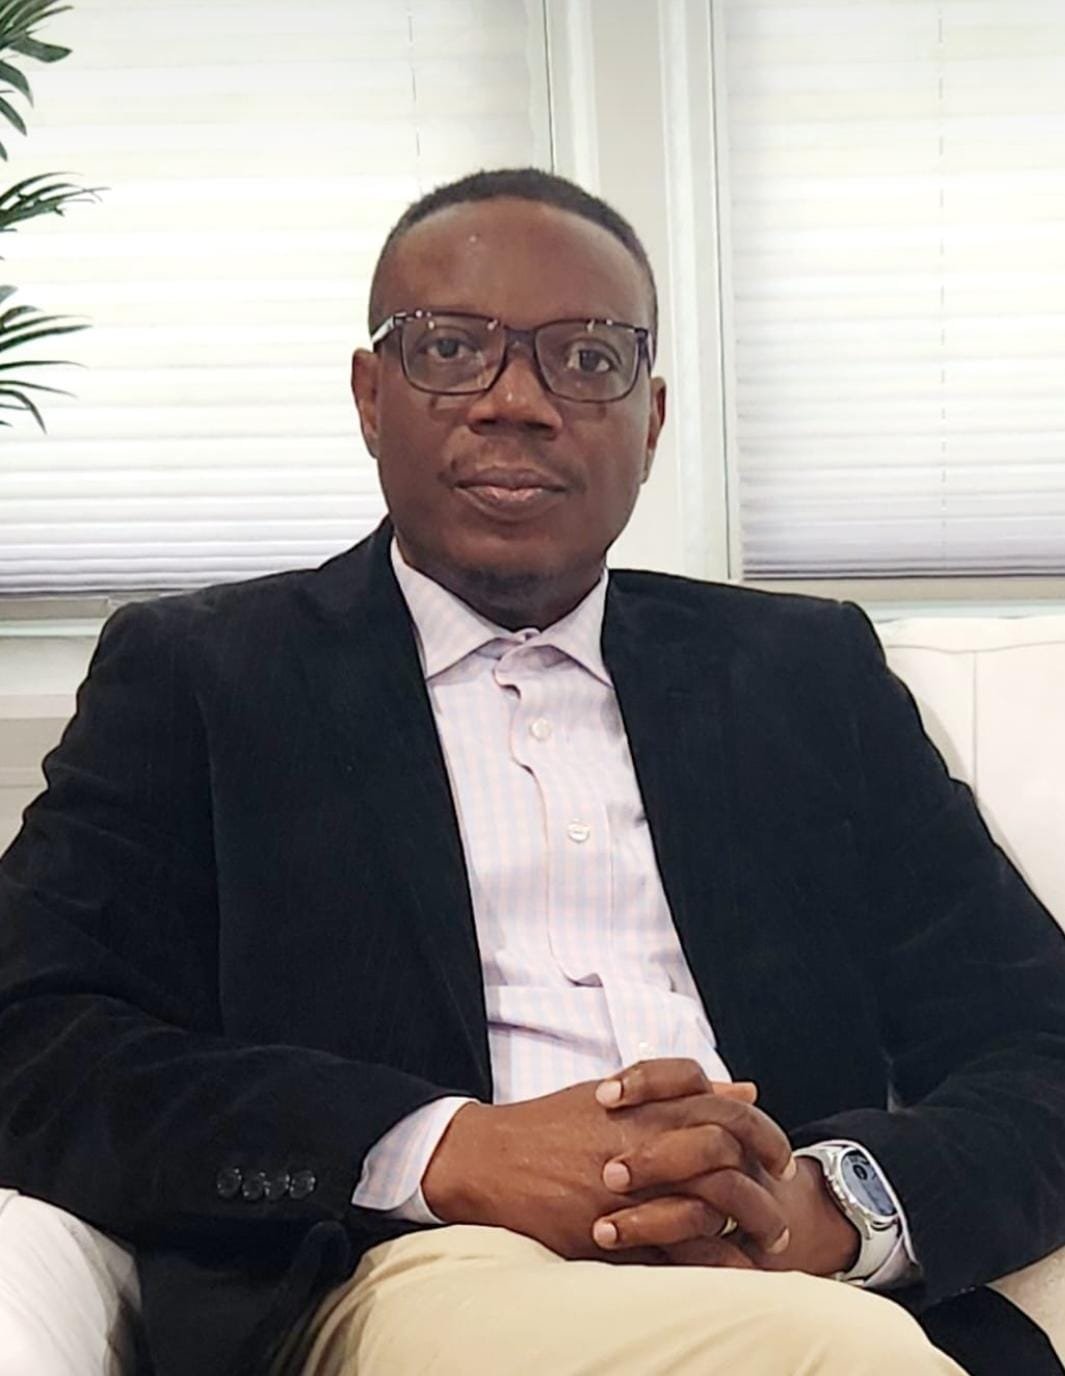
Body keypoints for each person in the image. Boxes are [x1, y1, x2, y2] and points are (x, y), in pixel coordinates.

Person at [0, 167, 1063, 1376]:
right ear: (370, 395)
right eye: (452, 348)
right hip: (410, 1270)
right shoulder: (204, 676)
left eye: (588, 358)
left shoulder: (804, 672)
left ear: (651, 420)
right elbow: (33, 1037)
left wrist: (835, 1203)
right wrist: (441, 1149)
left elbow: (1037, 1036)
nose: (517, 402)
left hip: (788, 1276)